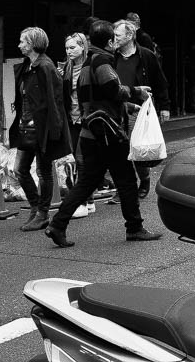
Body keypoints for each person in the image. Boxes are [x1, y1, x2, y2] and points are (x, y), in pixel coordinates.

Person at [46, 20, 161, 247]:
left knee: (87, 182)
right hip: (108, 134)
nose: (117, 41)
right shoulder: (102, 61)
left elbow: (98, 98)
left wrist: (128, 107)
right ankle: (135, 228)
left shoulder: (88, 64)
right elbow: (112, 89)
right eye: (115, 38)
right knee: (127, 181)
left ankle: (57, 225)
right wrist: (135, 92)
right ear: (109, 42)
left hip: (92, 133)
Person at [11, 27, 71, 232]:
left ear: (33, 43)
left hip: (42, 127)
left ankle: (42, 213)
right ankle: (36, 207)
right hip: (25, 126)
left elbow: (55, 101)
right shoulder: (27, 66)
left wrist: (55, 130)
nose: (19, 45)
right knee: (20, 169)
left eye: (22, 41)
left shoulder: (45, 67)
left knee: (43, 171)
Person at [113, 20, 169, 202]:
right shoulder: (110, 56)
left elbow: (160, 82)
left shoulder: (146, 56)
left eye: (118, 35)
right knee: (120, 152)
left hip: (139, 109)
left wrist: (165, 106)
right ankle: (124, 188)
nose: (114, 39)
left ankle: (144, 180)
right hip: (116, 109)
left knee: (138, 150)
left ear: (129, 36)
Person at [60, 32, 95, 220]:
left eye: (72, 47)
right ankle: (87, 200)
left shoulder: (91, 66)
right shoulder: (66, 68)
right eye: (66, 48)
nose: (69, 51)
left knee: (82, 160)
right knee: (74, 160)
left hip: (88, 119)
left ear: (83, 47)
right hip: (71, 120)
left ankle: (82, 201)